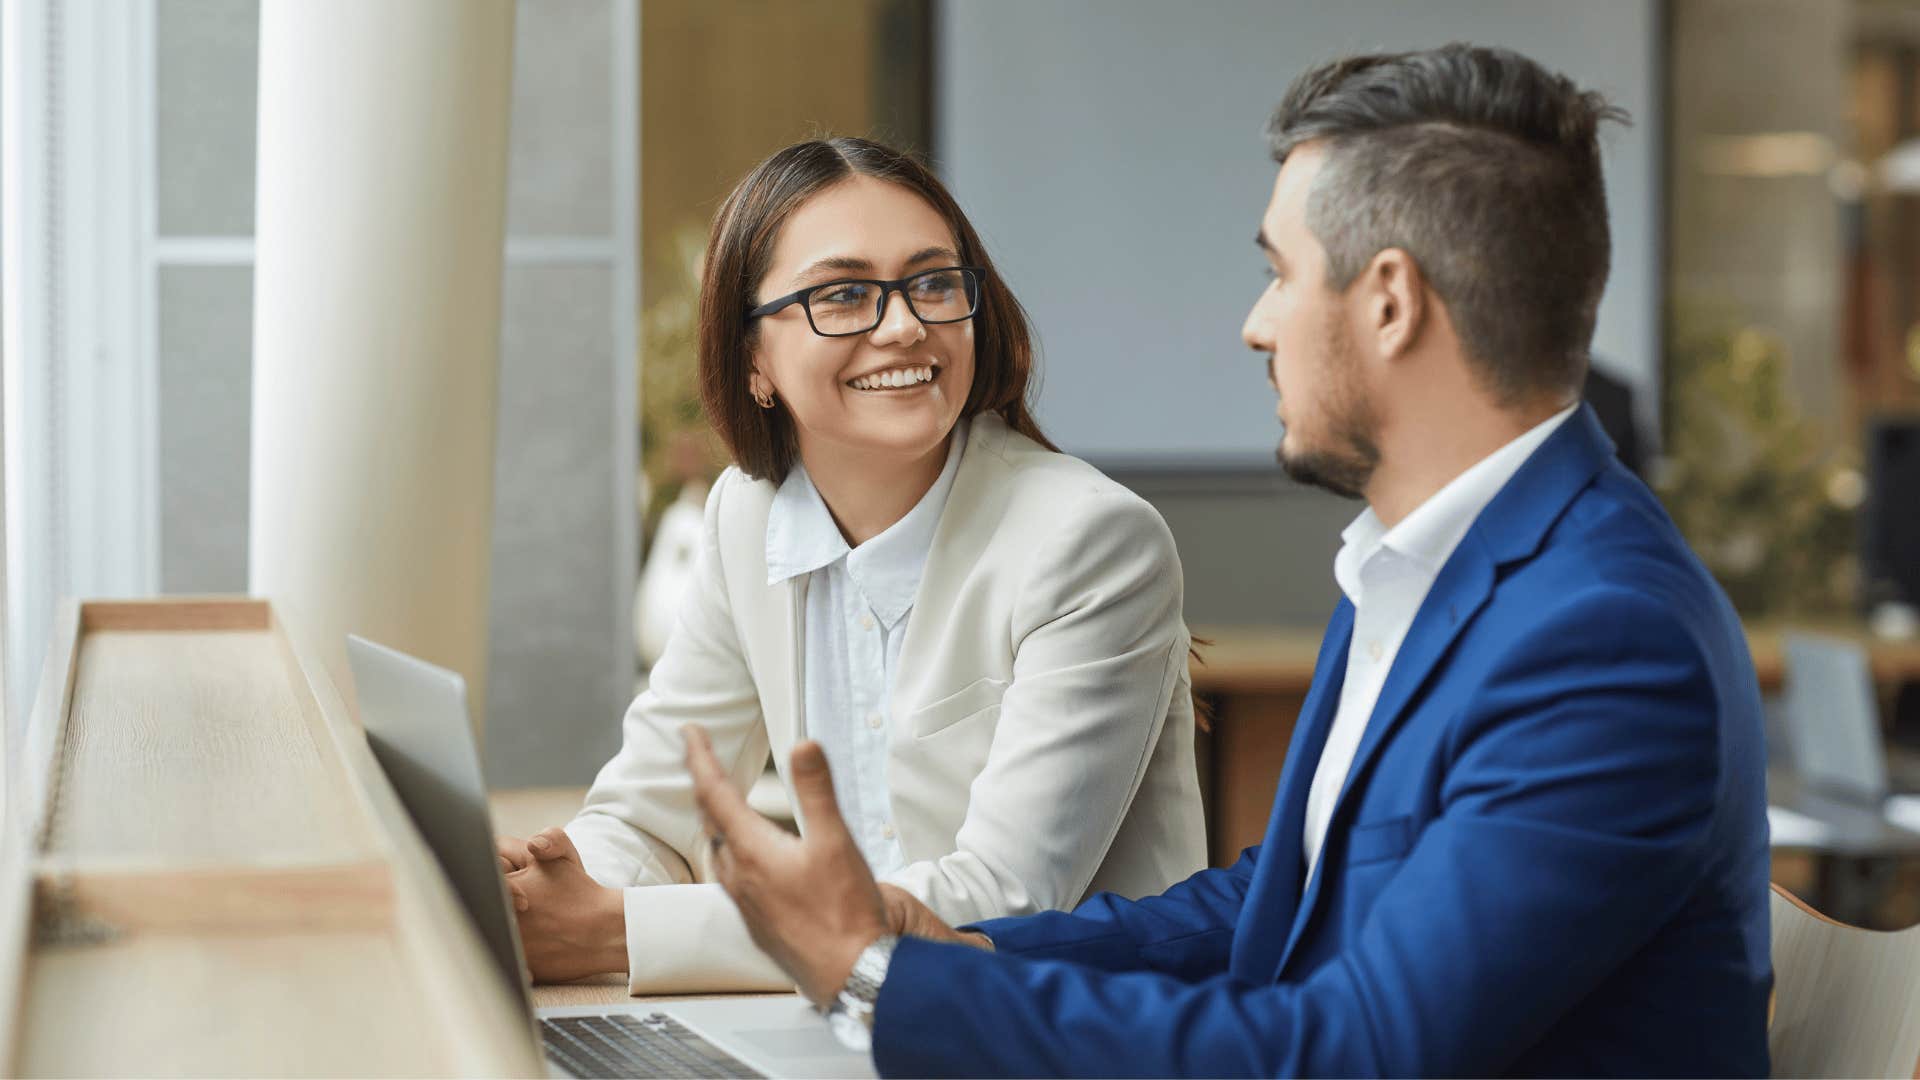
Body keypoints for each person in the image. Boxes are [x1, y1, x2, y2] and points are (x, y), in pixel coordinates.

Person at [683, 44, 1773, 1076]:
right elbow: (1278, 908)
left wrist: (881, 983)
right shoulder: (1427, 568)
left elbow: (1354, 1054)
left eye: (1280, 273)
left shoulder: (1603, 636)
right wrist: (966, 954)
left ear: (1389, 303)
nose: (1256, 326)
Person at [497, 137, 1207, 993]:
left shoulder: (1090, 541)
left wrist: (619, 932)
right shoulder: (744, 515)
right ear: (752, 357)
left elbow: (1000, 898)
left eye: (934, 282)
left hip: (1062, 1033)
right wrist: (552, 886)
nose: (904, 325)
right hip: (861, 1021)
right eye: (843, 295)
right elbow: (652, 814)